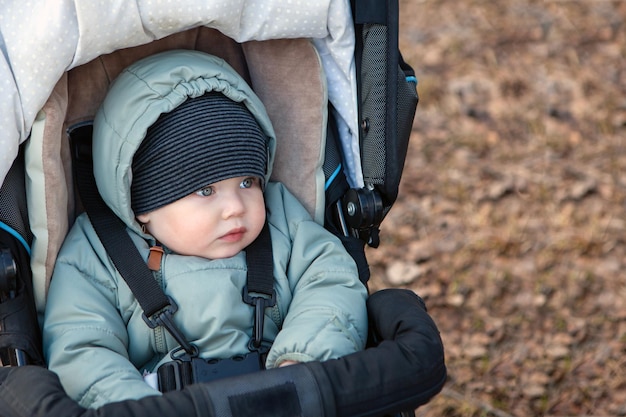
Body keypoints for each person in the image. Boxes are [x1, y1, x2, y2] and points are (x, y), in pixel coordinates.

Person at [42, 50, 368, 408]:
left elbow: (332, 280)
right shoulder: (98, 252)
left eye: (247, 182)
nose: (234, 208)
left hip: (286, 394)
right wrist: (134, 406)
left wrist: (303, 359)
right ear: (142, 205)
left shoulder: (282, 221)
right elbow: (81, 346)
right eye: (205, 190)